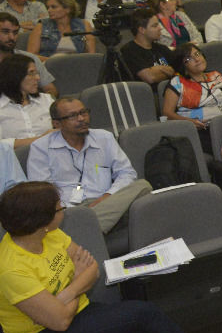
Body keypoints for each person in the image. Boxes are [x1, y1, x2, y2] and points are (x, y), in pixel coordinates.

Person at [0, 181, 222, 333]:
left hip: (78, 314)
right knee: (143, 312)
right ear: (40, 222)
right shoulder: (12, 268)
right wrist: (75, 286)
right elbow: (60, 321)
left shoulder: (50, 236)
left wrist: (64, 296)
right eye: (58, 208)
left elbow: (92, 269)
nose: (62, 210)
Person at [28, 97, 152, 233]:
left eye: (84, 112)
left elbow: (126, 173)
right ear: (57, 123)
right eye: (73, 116)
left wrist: (107, 196)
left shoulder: (104, 138)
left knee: (142, 186)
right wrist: (75, 211)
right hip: (68, 211)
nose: (81, 118)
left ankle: (84, 230)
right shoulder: (41, 147)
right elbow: (43, 193)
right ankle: (91, 227)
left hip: (107, 201)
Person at [162, 44, 222, 148]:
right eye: (189, 58)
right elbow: (167, 113)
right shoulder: (177, 82)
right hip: (198, 132)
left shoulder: (216, 76)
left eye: (197, 54)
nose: (197, 59)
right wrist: (189, 122)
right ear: (183, 66)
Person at [0, 54, 53, 148]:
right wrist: (41, 139)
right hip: (12, 160)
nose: (37, 78)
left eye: (37, 73)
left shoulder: (46, 100)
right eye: (31, 73)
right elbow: (2, 145)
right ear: (15, 76)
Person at [0, 13, 56, 96]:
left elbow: (51, 89)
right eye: (5, 32)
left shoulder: (29, 58)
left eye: (15, 32)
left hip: (28, 106)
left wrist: (44, 102)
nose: (12, 37)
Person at [27, 0, 96, 57]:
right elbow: (32, 55)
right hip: (48, 66)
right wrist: (56, 62)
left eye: (53, 7)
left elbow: (91, 55)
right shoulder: (41, 26)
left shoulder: (84, 25)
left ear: (68, 8)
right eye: (48, 7)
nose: (49, 10)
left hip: (77, 66)